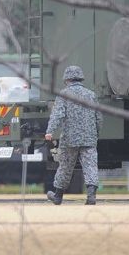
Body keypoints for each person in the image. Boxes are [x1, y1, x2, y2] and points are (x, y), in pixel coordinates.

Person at [45, 66, 103, 205]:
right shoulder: (91, 94)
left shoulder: (64, 94)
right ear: (80, 78)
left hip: (70, 139)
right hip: (89, 138)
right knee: (90, 166)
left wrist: (49, 131)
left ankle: (58, 196)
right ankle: (91, 196)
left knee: (65, 166)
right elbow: (99, 117)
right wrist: (96, 133)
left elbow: (57, 115)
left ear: (67, 79)